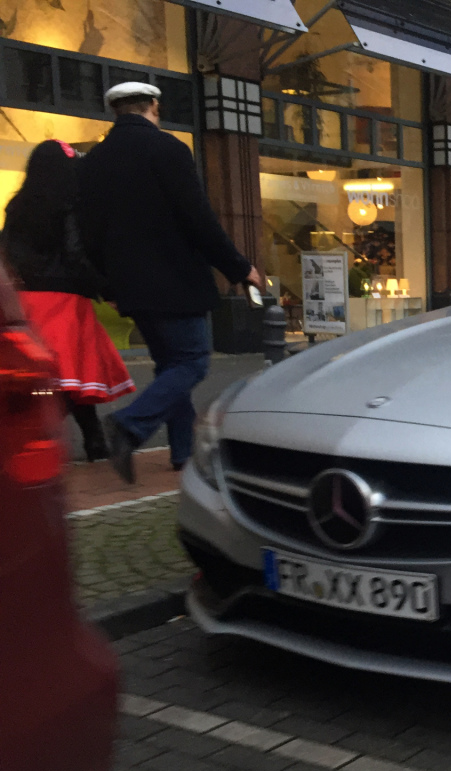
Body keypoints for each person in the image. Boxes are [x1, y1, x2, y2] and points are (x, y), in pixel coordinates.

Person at [78, 81, 262, 482]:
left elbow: (87, 234)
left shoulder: (93, 162)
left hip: (129, 287)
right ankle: (129, 425)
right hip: (175, 281)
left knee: (170, 367)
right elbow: (198, 220)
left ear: (116, 112)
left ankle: (183, 451)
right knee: (192, 362)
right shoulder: (168, 150)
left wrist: (107, 286)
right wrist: (238, 267)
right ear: (154, 107)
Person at [1, 139, 134, 461]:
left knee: (50, 374)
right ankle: (70, 439)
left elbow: (7, 252)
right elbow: (75, 255)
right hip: (64, 301)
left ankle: (93, 441)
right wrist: (106, 289)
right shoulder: (69, 204)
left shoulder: (15, 206)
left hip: (27, 298)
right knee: (73, 376)